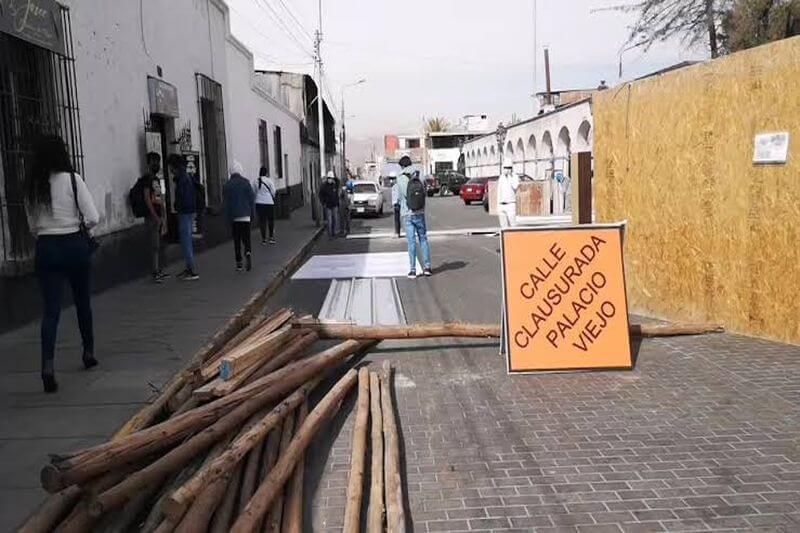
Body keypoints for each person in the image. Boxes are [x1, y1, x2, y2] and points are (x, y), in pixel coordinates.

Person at [25, 135, 100, 393]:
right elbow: (93, 217)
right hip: (74, 245)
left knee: (51, 311)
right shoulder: (72, 179)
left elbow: (32, 226)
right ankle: (88, 351)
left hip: (46, 248)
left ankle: (47, 365)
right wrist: (77, 227)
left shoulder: (33, 186)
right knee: (82, 303)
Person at [393, 156, 432, 278]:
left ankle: (413, 270)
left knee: (411, 242)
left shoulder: (400, 178)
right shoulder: (420, 174)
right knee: (423, 239)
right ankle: (427, 267)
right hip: (420, 211)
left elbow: (399, 196)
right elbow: (424, 191)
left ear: (402, 166)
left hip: (407, 213)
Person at [139, 152, 169, 283]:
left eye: (158, 161)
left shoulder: (157, 179)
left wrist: (163, 215)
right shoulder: (146, 179)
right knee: (154, 245)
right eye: (154, 161)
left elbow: (160, 198)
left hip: (159, 215)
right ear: (149, 163)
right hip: (152, 217)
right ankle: (155, 271)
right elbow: (147, 199)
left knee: (159, 244)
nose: (156, 164)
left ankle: (158, 269)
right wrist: (155, 216)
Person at [169, 153, 199, 280]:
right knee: (186, 240)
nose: (170, 170)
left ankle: (191, 270)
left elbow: (184, 197)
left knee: (186, 241)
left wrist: (177, 206)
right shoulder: (183, 177)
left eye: (171, 167)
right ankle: (189, 267)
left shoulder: (183, 179)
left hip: (185, 212)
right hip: (188, 211)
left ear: (174, 166)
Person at [224, 161, 256, 272]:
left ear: (231, 172)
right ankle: (248, 252)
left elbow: (226, 204)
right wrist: (252, 214)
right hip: (246, 216)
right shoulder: (246, 183)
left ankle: (239, 263)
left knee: (236, 240)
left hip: (234, 217)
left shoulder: (228, 185)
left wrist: (227, 218)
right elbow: (251, 199)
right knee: (246, 238)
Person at [254, 166, 276, 245]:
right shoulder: (269, 181)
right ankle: (271, 237)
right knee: (270, 220)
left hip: (259, 203)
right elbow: (273, 192)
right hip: (269, 202)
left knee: (262, 221)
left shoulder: (256, 181)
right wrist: (271, 197)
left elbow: (254, 191)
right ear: (266, 173)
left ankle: (263, 239)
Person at [496, 161, 520, 228]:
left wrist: (509, 176)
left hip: (510, 204)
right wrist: (498, 204)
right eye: (505, 168)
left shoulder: (515, 177)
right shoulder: (501, 177)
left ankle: (515, 237)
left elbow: (515, 186)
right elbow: (499, 190)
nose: (507, 169)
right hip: (501, 204)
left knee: (513, 224)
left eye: (509, 168)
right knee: (503, 225)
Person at [319, 171, 340, 239]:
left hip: (334, 205)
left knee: (335, 219)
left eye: (331, 178)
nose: (330, 179)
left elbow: (338, 182)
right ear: (327, 178)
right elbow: (320, 195)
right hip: (328, 206)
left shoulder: (335, 185)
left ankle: (334, 233)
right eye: (329, 178)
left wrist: (335, 177)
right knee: (329, 221)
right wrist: (323, 203)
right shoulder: (324, 186)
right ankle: (330, 235)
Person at [390, 171, 401, 238]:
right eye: (390, 178)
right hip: (396, 204)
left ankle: (397, 232)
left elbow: (397, 196)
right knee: (396, 219)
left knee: (397, 219)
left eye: (393, 178)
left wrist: (395, 203)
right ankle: (397, 232)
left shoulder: (396, 186)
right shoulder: (394, 186)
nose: (391, 180)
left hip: (397, 204)